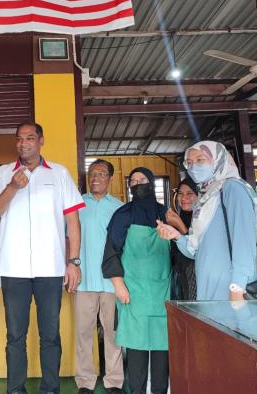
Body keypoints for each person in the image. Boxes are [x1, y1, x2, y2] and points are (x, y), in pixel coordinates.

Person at [0, 121, 85, 394]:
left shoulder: (60, 174)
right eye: (19, 138)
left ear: (41, 141)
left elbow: (73, 222)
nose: (23, 143)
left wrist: (74, 262)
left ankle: (50, 389)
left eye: (30, 138)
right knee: (15, 336)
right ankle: (15, 390)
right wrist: (12, 187)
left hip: (50, 269)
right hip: (13, 269)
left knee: (50, 335)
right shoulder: (3, 173)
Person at [157, 140, 257, 301]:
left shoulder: (232, 189)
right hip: (208, 286)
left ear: (218, 159)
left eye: (200, 160)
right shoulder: (206, 197)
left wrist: (237, 286)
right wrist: (176, 236)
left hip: (231, 287)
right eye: (189, 163)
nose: (193, 167)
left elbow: (244, 242)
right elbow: (196, 252)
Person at [102, 168, 169, 394]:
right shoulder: (123, 214)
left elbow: (180, 247)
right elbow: (111, 252)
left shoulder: (165, 213)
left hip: (162, 291)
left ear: (152, 183)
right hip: (133, 291)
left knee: (162, 347)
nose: (138, 183)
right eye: (133, 181)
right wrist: (118, 285)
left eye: (143, 179)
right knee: (137, 348)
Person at [75, 159, 124, 394]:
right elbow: (67, 238)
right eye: (92, 173)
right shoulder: (76, 204)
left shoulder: (119, 207)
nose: (95, 178)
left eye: (102, 174)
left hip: (111, 282)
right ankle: (85, 382)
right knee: (83, 333)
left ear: (110, 179)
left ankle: (114, 381)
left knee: (113, 334)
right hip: (83, 280)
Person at [166, 178, 198, 300]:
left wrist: (180, 226)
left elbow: (196, 250)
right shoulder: (175, 219)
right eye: (180, 193)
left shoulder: (203, 221)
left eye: (190, 193)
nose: (184, 198)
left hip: (195, 277)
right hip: (178, 277)